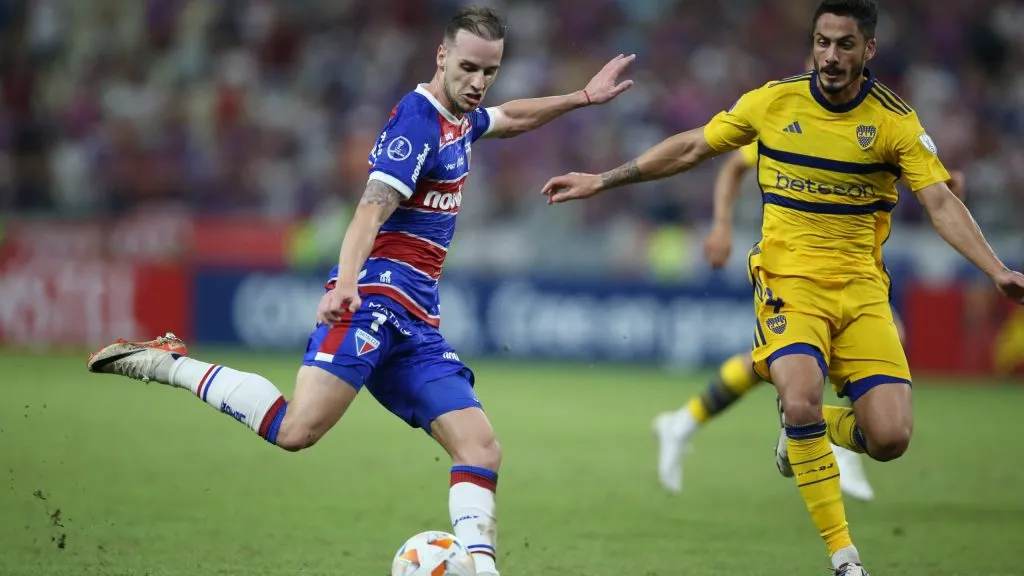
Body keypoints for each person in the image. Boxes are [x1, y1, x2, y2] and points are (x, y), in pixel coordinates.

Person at [85, 7, 634, 576]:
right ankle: (167, 364)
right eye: (468, 68)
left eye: (489, 72)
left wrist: (581, 98)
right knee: (296, 430)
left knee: (480, 447)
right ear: (442, 56)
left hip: (417, 322)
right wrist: (346, 285)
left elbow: (511, 116)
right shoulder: (417, 123)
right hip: (372, 302)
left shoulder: (461, 117)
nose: (478, 82)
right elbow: (370, 209)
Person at [540, 1, 1024, 573]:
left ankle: (804, 433)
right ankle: (845, 558)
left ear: (869, 49)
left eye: (845, 44)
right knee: (798, 398)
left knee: (890, 438)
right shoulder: (774, 101)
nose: (831, 56)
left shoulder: (895, 121)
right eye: (822, 42)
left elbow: (940, 201)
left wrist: (995, 270)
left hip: (862, 290)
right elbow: (695, 146)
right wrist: (602, 180)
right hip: (787, 282)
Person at [653, 110, 967, 500]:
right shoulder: (789, 116)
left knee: (776, 362)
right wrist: (721, 225)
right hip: (797, 267)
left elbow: (885, 167)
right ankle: (830, 444)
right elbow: (734, 164)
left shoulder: (866, 122)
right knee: (784, 362)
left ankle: (685, 421)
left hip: (851, 270)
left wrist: (939, 182)